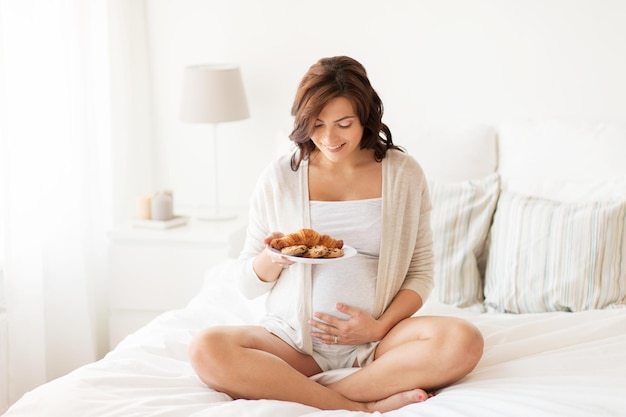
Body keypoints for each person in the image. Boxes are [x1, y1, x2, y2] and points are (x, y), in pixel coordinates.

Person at [188, 55, 483, 413]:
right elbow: (248, 284)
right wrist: (274, 258)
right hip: (293, 343)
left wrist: (376, 329)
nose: (329, 138)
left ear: (366, 119)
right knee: (206, 348)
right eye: (318, 123)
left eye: (344, 124)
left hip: (378, 345)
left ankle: (310, 390)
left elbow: (420, 273)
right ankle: (361, 405)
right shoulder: (281, 176)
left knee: (463, 341)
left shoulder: (404, 173)